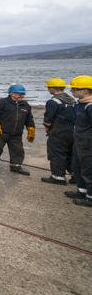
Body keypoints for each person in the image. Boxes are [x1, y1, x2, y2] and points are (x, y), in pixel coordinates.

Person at [0, 84, 35, 175]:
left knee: (18, 150)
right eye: (19, 93)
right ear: (11, 93)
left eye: (23, 94)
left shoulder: (25, 105)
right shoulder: (2, 103)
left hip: (16, 134)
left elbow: (29, 119)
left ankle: (15, 166)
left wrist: (31, 129)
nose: (21, 95)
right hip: (1, 132)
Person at [40, 78, 76, 185]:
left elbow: (48, 119)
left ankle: (58, 177)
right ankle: (75, 175)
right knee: (71, 154)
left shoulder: (53, 102)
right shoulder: (72, 100)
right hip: (72, 132)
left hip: (58, 132)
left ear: (51, 89)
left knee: (56, 154)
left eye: (48, 88)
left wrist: (47, 129)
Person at [67, 75, 92, 207]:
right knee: (78, 167)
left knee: (88, 169)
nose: (71, 91)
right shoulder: (80, 105)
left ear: (85, 91)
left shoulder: (89, 106)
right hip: (79, 142)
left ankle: (90, 197)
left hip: (88, 144)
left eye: (74, 89)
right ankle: (82, 191)